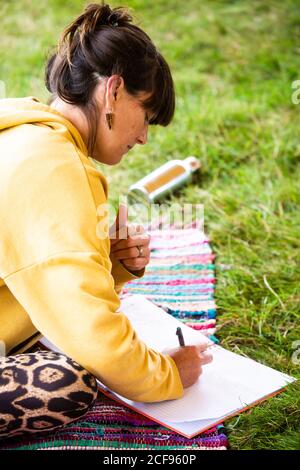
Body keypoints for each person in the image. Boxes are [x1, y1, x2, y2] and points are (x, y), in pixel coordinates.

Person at [0, 3, 212, 439]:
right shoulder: (57, 166)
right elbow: (92, 337)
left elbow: (35, 278)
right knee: (67, 382)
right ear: (113, 92)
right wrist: (170, 373)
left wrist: (109, 265)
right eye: (146, 115)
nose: (143, 136)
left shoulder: (24, 130)